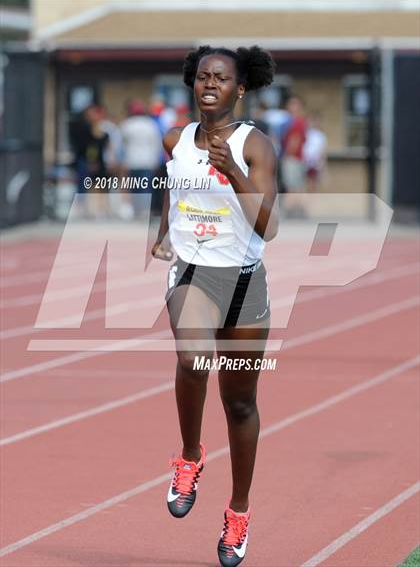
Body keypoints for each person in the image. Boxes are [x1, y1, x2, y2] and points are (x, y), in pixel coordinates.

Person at [151, 45, 279, 567]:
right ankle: (189, 456)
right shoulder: (175, 139)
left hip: (245, 282)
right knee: (191, 359)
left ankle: (239, 512)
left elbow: (268, 225)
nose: (209, 84)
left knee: (241, 404)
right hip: (193, 275)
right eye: (202, 76)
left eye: (221, 78)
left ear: (239, 89)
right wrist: (163, 234)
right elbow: (173, 186)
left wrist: (234, 173)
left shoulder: (256, 145)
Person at [120, 100, 162, 219]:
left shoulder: (127, 124)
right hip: (148, 161)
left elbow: (122, 145)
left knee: (133, 187)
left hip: (131, 160)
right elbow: (157, 144)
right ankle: (145, 211)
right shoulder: (151, 124)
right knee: (145, 187)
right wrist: (156, 161)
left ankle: (135, 210)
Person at [281, 95, 308, 216]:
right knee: (297, 186)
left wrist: (287, 156)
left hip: (293, 158)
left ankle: (287, 211)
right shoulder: (295, 121)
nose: (291, 107)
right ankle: (298, 211)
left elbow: (294, 141)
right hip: (298, 158)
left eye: (294, 104)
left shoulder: (297, 122)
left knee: (291, 186)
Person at [303, 111, 328, 193]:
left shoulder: (321, 135)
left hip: (315, 163)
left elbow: (323, 150)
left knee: (314, 184)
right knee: (305, 184)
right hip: (305, 162)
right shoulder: (306, 133)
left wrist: (322, 164)